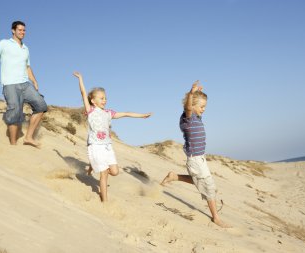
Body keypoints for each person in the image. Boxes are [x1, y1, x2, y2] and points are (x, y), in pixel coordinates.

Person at [161, 81, 231, 228]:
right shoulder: (188, 118)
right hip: (195, 160)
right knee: (209, 187)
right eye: (201, 106)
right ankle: (216, 218)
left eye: (205, 106)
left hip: (200, 158)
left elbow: (193, 106)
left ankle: (174, 176)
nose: (204, 109)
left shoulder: (197, 117)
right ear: (192, 106)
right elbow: (187, 107)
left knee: (198, 181)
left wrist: (197, 95)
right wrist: (191, 94)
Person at [74, 71, 151, 202]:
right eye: (101, 98)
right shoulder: (90, 110)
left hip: (107, 147)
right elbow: (83, 93)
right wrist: (80, 79)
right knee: (104, 174)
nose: (105, 100)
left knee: (115, 172)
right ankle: (104, 200)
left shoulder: (109, 113)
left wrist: (142, 115)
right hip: (95, 146)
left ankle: (94, 166)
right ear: (93, 100)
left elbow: (126, 113)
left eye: (105, 98)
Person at [0, 21, 47, 147]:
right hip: (10, 84)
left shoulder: (26, 48)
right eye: (19, 30)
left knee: (41, 106)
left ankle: (28, 137)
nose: (22, 32)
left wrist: (34, 80)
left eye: (24, 30)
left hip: (25, 83)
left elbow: (27, 67)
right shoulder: (4, 43)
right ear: (13, 30)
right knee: (14, 113)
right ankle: (13, 145)